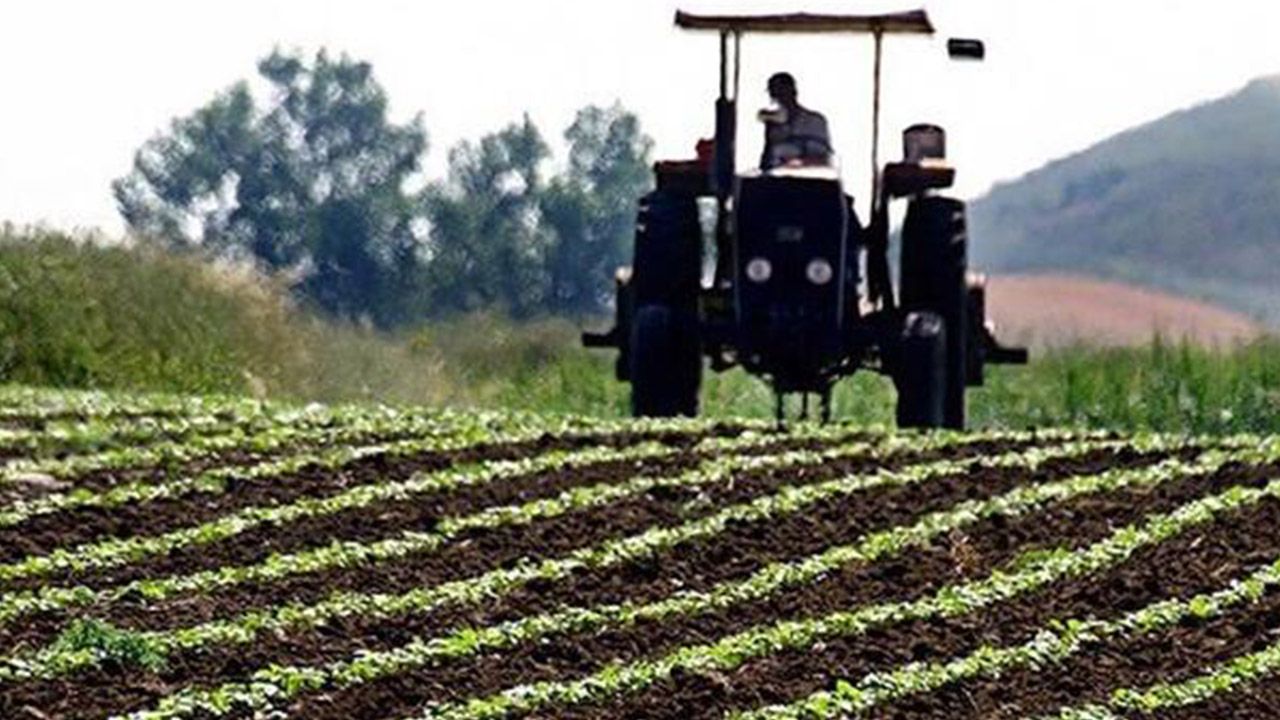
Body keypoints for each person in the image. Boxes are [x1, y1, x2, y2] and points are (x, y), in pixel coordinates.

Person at [759, 72, 832, 170]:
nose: (779, 98)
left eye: (782, 92)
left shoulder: (814, 121)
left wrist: (795, 162)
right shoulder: (774, 123)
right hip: (778, 180)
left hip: (809, 178)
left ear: (793, 91)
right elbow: (766, 164)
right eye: (775, 94)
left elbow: (824, 158)